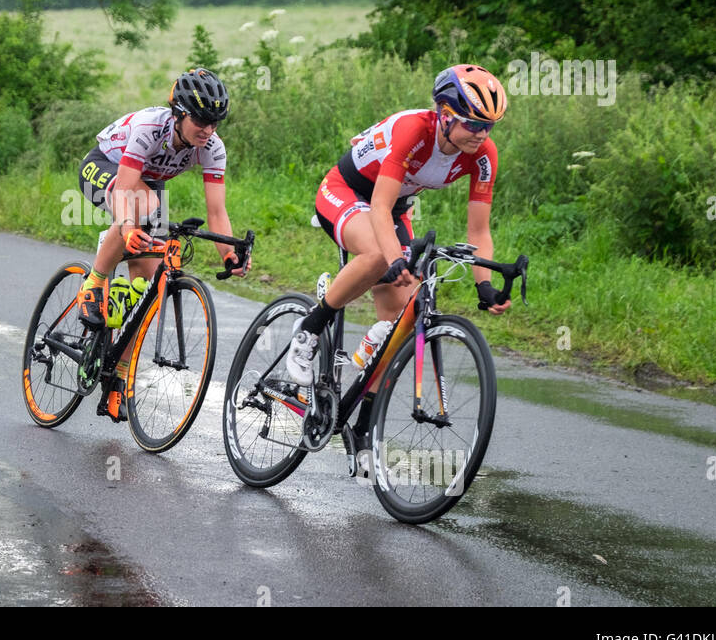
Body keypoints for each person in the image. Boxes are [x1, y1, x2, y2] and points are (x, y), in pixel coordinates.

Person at [284, 65, 514, 439]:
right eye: (473, 124)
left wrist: (483, 286)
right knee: (377, 256)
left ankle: (361, 427)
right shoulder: (414, 131)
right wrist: (392, 258)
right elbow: (377, 207)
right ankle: (309, 328)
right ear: (445, 114)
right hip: (347, 191)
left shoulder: (483, 153)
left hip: (393, 206)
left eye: (489, 125)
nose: (482, 134)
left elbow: (479, 230)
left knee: (402, 320)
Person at [74, 67, 251, 421]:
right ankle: (93, 283)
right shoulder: (150, 129)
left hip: (146, 185)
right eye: (201, 120)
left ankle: (118, 379)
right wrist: (125, 228)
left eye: (215, 122)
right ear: (180, 113)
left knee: (149, 289)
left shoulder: (212, 148)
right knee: (145, 207)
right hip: (106, 167)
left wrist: (230, 254)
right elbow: (126, 187)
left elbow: (217, 211)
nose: (209, 130)